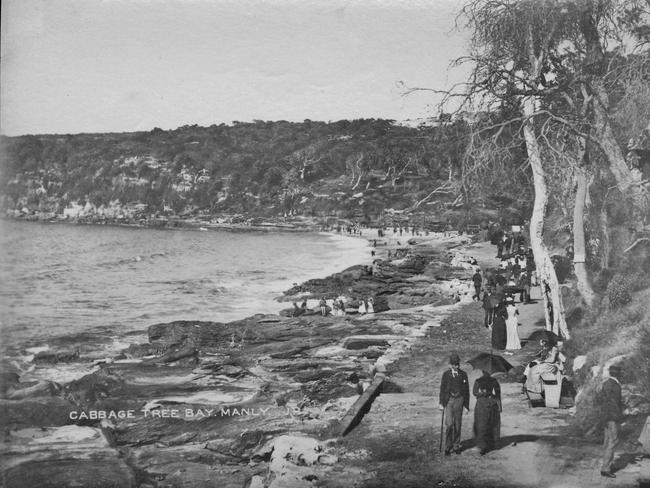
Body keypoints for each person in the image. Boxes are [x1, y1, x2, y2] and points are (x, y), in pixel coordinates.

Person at [439, 354, 470, 455]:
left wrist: (466, 406)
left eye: (458, 364)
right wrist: (441, 403)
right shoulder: (446, 375)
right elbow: (442, 390)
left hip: (459, 400)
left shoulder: (463, 374)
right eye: (454, 365)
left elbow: (467, 391)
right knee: (449, 424)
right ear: (450, 365)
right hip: (449, 401)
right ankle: (448, 446)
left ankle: (456, 446)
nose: (457, 367)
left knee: (457, 424)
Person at [600, 365, 625, 478]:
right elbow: (614, 404)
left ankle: (606, 465)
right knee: (613, 441)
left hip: (605, 416)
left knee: (607, 441)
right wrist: (620, 416)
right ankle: (606, 468)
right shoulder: (616, 385)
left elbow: (603, 401)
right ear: (618, 374)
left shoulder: (606, 383)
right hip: (612, 417)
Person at [473, 370, 502, 455]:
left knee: (493, 424)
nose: (487, 374)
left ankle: (493, 444)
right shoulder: (478, 381)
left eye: (488, 372)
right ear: (482, 372)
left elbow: (498, 394)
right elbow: (474, 392)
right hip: (481, 405)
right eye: (485, 372)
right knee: (482, 425)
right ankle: (482, 446)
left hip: (492, 404)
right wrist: (481, 393)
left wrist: (499, 406)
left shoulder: (494, 381)